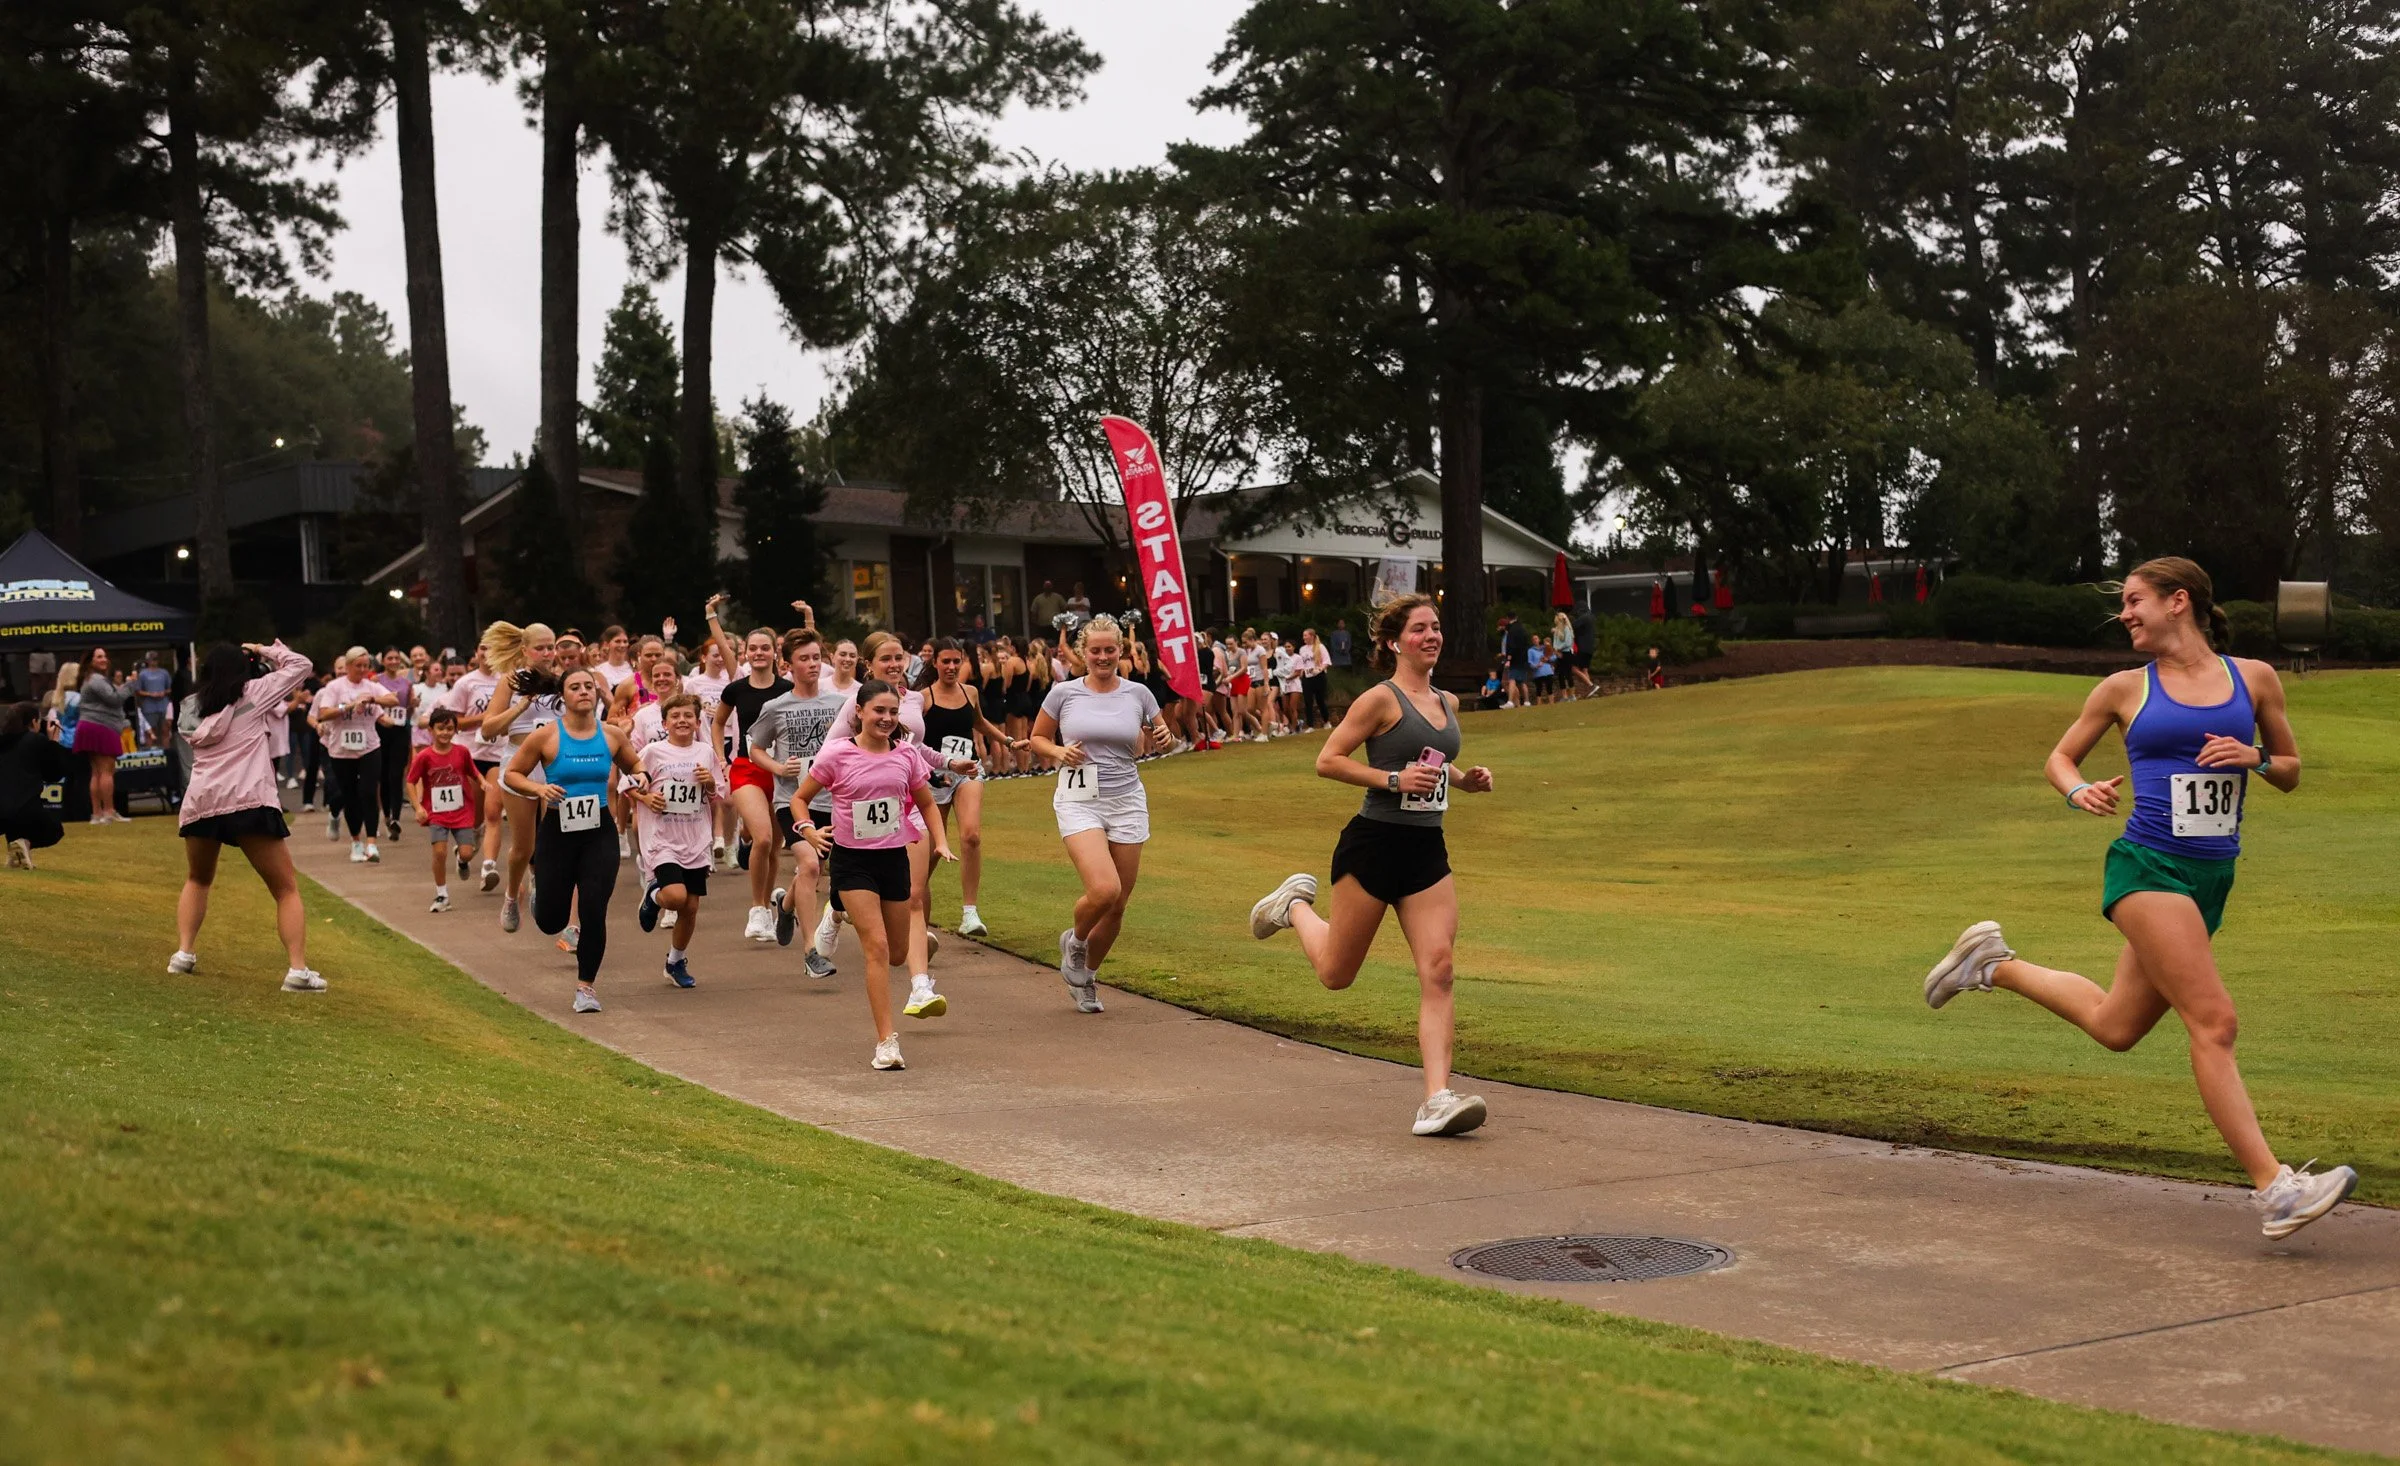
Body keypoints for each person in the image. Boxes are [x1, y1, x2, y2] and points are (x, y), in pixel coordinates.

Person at [1921, 556, 2356, 1239]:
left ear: (2177, 601)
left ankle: (1990, 964)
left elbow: (2292, 769)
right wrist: (2077, 789)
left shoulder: (2256, 678)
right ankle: (2275, 1189)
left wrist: (2257, 761)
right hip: (2147, 868)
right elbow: (2059, 758)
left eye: (2133, 601)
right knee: (2214, 1023)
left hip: (2212, 877)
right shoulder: (2123, 689)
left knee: (2115, 1027)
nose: (2124, 613)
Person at [1249, 593, 1495, 1137]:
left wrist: (1464, 780)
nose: (1431, 636)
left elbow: (1435, 760)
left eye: (1436, 628)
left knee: (1440, 969)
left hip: (1426, 853)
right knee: (1337, 975)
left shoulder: (1446, 701)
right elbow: (1327, 761)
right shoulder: (1378, 701)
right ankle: (1293, 908)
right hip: (1373, 846)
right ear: (1393, 642)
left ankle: (1437, 1098)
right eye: (1419, 630)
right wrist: (1392, 781)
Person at [794, 678, 956, 1069]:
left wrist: (940, 841)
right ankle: (887, 1042)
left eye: (892, 712)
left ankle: (837, 911)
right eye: (878, 711)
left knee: (899, 953)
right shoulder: (837, 755)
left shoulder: (905, 755)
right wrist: (808, 829)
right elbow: (801, 799)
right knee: (878, 948)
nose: (886, 718)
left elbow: (927, 803)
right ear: (860, 712)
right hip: (853, 861)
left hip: (893, 859)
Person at [1026, 614, 1172, 1014]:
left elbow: (1163, 738)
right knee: (1104, 890)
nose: (1103, 656)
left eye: (1110, 650)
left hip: (1127, 799)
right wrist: (1058, 752)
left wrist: (1165, 737)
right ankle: (1075, 941)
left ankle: (1087, 977)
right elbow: (1038, 737)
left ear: (1121, 652)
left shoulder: (1139, 693)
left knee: (1119, 903)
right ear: (1083, 653)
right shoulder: (1064, 693)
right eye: (1096, 650)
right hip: (1079, 798)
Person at [171, 640, 321, 991]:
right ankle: (297, 970)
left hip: (202, 801)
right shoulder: (254, 693)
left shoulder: (190, 707)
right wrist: (265, 649)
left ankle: (183, 953)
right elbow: (301, 665)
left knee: (198, 878)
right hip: (248, 798)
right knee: (286, 890)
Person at [504, 666, 644, 1013]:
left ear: (597, 694)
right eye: (575, 687)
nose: (584, 691)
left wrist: (640, 777)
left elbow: (635, 765)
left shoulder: (612, 735)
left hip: (599, 830)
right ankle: (540, 896)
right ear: (562, 696)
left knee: (594, 908)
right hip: (557, 831)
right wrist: (539, 787)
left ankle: (586, 987)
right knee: (551, 919)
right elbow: (511, 774)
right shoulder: (546, 737)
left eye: (589, 687)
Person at [747, 630, 845, 976]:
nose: (812, 664)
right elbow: (754, 747)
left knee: (810, 868)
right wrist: (776, 766)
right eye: (804, 658)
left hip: (831, 801)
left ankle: (785, 905)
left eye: (817, 657)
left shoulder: (838, 704)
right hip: (791, 800)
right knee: (811, 866)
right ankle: (811, 953)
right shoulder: (775, 707)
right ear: (787, 664)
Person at [706, 601, 792, 940]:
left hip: (782, 773)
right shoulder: (736, 688)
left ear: (774, 652)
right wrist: (722, 759)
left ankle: (767, 911)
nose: (759, 653)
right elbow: (718, 723)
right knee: (764, 837)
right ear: (745, 653)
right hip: (746, 768)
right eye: (753, 648)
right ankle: (757, 908)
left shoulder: (788, 690)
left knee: (773, 849)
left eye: (765, 648)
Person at [920, 639, 1016, 939]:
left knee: (971, 835)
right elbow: (912, 740)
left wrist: (1010, 742)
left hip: (969, 770)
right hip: (936, 775)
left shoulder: (969, 691)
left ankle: (970, 912)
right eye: (945, 661)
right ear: (934, 663)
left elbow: (980, 723)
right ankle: (910, 895)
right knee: (934, 849)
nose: (950, 667)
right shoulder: (923, 697)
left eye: (955, 661)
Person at [631, 692, 726, 987]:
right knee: (674, 897)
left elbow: (716, 796)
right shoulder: (653, 752)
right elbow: (628, 785)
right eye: (676, 716)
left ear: (698, 722)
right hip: (662, 838)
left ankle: (675, 961)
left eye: (688, 716)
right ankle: (653, 896)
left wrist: (710, 783)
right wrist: (646, 798)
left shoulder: (705, 753)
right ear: (664, 723)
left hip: (695, 838)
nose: (682, 721)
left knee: (691, 907)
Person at [477, 621, 564, 930]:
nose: (546, 653)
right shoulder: (510, 683)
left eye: (550, 647)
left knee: (554, 840)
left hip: (554, 764)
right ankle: (512, 895)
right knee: (523, 846)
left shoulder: (560, 682)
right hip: (518, 763)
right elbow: (488, 730)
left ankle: (543, 886)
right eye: (539, 647)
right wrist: (524, 701)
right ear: (525, 650)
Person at [312, 647, 398, 862]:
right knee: (350, 796)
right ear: (348, 666)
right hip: (341, 750)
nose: (361, 670)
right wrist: (348, 706)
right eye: (357, 666)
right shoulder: (335, 687)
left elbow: (393, 700)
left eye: (365, 666)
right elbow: (324, 713)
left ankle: (371, 844)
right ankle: (356, 842)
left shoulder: (371, 687)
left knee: (369, 792)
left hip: (369, 746)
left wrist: (372, 700)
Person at [406, 707, 480, 913]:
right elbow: (410, 782)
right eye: (440, 728)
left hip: (462, 810)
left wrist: (484, 784)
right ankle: (442, 894)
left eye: (449, 728)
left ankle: (461, 860)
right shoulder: (424, 756)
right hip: (436, 812)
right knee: (439, 852)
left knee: (467, 853)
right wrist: (418, 806)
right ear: (430, 730)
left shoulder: (462, 752)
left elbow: (473, 772)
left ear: (455, 730)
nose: (445, 733)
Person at [2, 700, 73, 869]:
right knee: (54, 830)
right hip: (25, 809)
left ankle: (18, 855)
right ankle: (24, 844)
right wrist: (53, 742)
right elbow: (54, 775)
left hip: (2, 813)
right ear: (34, 721)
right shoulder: (36, 741)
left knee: (15, 823)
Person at [73, 647, 131, 821]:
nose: (104, 659)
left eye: (105, 656)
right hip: (101, 726)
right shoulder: (97, 679)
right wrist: (129, 685)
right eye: (99, 657)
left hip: (89, 725)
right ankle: (109, 811)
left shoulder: (89, 679)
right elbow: (115, 699)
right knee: (106, 770)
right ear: (91, 661)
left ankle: (97, 814)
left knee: (96, 771)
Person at [375, 648, 416, 841]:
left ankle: (396, 819)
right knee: (383, 775)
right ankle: (387, 816)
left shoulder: (406, 683)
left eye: (396, 658)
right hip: (380, 729)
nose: (393, 661)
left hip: (399, 730)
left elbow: (407, 708)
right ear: (383, 661)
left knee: (396, 774)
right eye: (389, 658)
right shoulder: (376, 681)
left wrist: (413, 704)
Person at [134, 652, 174, 748]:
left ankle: (167, 754)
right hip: (149, 707)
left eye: (155, 659)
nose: (154, 661)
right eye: (152, 659)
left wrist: (163, 693)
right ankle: (150, 754)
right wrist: (150, 694)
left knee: (165, 731)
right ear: (148, 660)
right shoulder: (143, 674)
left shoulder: (164, 672)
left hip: (163, 706)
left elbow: (170, 688)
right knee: (150, 732)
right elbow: (138, 691)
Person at [1299, 628, 1332, 730]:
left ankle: (1326, 721)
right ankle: (1310, 725)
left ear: (1312, 636)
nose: (1304, 637)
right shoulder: (1302, 649)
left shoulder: (1320, 647)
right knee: (1308, 701)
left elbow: (1327, 661)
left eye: (1306, 635)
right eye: (1303, 635)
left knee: (1320, 700)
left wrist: (1320, 668)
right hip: (1307, 676)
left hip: (1318, 676)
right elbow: (1302, 663)